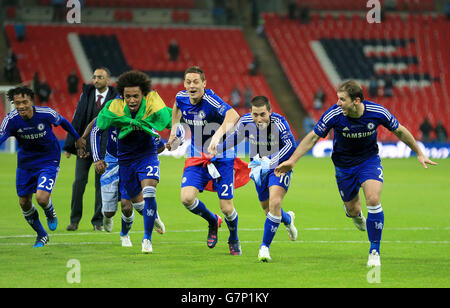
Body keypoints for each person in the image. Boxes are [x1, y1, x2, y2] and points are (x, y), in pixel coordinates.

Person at [275, 80, 437, 267]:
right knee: (353, 210)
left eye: (342, 99)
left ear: (356, 101)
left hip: (369, 161)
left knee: (373, 199)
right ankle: (355, 214)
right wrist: (293, 160)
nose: (338, 103)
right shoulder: (334, 115)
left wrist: (419, 152)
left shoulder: (377, 112)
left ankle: (374, 250)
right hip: (344, 166)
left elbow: (399, 131)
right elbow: (313, 137)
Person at [166, 66, 243, 255]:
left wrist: (216, 137)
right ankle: (212, 220)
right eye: (188, 82)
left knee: (227, 208)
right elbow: (176, 107)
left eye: (196, 82)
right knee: (186, 198)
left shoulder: (210, 100)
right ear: (184, 84)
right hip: (197, 154)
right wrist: (174, 131)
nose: (192, 86)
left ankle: (233, 238)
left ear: (204, 84)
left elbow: (234, 115)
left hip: (222, 156)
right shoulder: (181, 97)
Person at [95, 70, 172, 254]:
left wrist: (176, 134)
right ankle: (147, 221)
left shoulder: (152, 103)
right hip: (125, 160)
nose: (131, 100)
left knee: (149, 192)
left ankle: (147, 239)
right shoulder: (115, 106)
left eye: (135, 96)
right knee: (133, 204)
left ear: (143, 94)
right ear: (122, 95)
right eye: (127, 96)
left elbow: (169, 118)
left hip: (147, 155)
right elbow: (101, 123)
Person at [214, 95, 298, 262]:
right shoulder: (246, 121)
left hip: (279, 167)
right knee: (267, 209)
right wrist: (218, 148)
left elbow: (291, 146)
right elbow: (236, 137)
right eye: (255, 114)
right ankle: (288, 219)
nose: (258, 119)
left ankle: (264, 248)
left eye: (262, 114)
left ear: (270, 112)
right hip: (258, 169)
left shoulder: (279, 123)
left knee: (275, 202)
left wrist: (272, 162)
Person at [0, 86, 85, 247]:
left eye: (24, 102)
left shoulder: (46, 113)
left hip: (49, 159)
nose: (21, 106)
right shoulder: (11, 120)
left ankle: (50, 212)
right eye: (17, 103)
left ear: (31, 101)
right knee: (24, 202)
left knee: (41, 197)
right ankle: (41, 234)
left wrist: (77, 138)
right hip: (26, 163)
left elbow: (64, 122)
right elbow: (1, 136)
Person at [86, 117, 177, 246]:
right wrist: (86, 141)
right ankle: (107, 216)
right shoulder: (113, 111)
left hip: (131, 162)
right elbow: (96, 126)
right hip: (111, 161)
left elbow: (160, 145)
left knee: (127, 206)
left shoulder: (141, 118)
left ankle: (125, 234)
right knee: (109, 211)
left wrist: (145, 156)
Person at [63, 67, 118, 232]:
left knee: (100, 185)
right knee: (79, 183)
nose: (96, 80)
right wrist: (70, 145)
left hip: (103, 149)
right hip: (84, 147)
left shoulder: (115, 98)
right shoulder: (86, 94)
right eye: (94, 77)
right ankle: (74, 220)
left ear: (108, 80)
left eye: (100, 77)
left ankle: (98, 222)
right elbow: (77, 118)